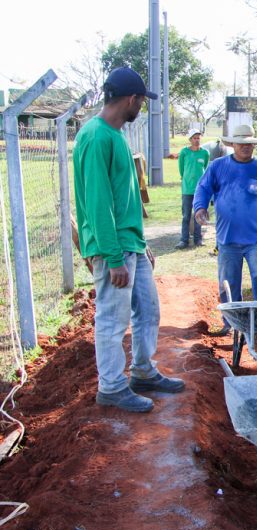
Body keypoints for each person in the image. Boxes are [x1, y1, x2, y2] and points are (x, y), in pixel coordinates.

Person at [73, 66, 185, 413]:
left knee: (148, 311)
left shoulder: (115, 135)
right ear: (132, 99)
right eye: (142, 102)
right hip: (114, 250)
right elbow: (97, 203)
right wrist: (113, 255)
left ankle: (142, 371)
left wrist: (140, 244)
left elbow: (125, 200)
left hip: (130, 244)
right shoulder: (96, 137)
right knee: (112, 319)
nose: (142, 109)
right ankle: (111, 387)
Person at [193, 124, 257, 335]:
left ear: (254, 145)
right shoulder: (218, 167)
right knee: (228, 282)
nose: (245, 147)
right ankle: (231, 323)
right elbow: (203, 188)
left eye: (249, 144)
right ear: (232, 144)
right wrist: (200, 207)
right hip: (227, 239)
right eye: (241, 143)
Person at [176, 128, 209, 249]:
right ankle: (184, 240)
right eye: (194, 138)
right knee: (186, 215)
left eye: (198, 138)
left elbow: (205, 167)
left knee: (198, 215)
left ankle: (198, 239)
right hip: (187, 189)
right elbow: (181, 169)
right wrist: (186, 179)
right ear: (190, 139)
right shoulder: (184, 152)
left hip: (199, 190)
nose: (197, 140)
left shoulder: (204, 153)